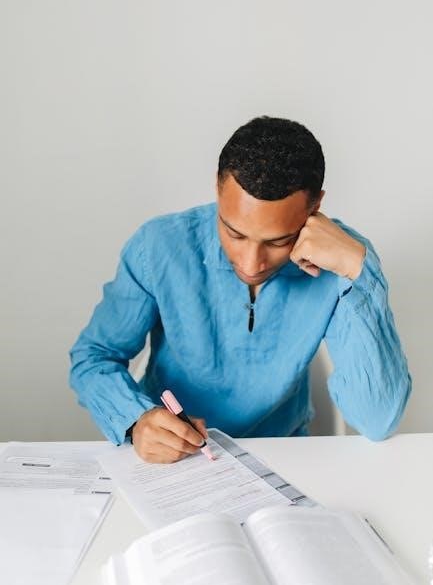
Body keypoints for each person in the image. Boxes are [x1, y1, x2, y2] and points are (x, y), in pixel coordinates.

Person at [69, 116, 411, 463]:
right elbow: (94, 356)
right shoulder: (158, 246)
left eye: (278, 241)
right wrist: (136, 418)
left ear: (315, 207)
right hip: (175, 459)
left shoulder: (342, 260)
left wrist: (359, 274)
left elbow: (377, 420)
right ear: (218, 190)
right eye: (234, 233)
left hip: (285, 457)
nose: (251, 264)